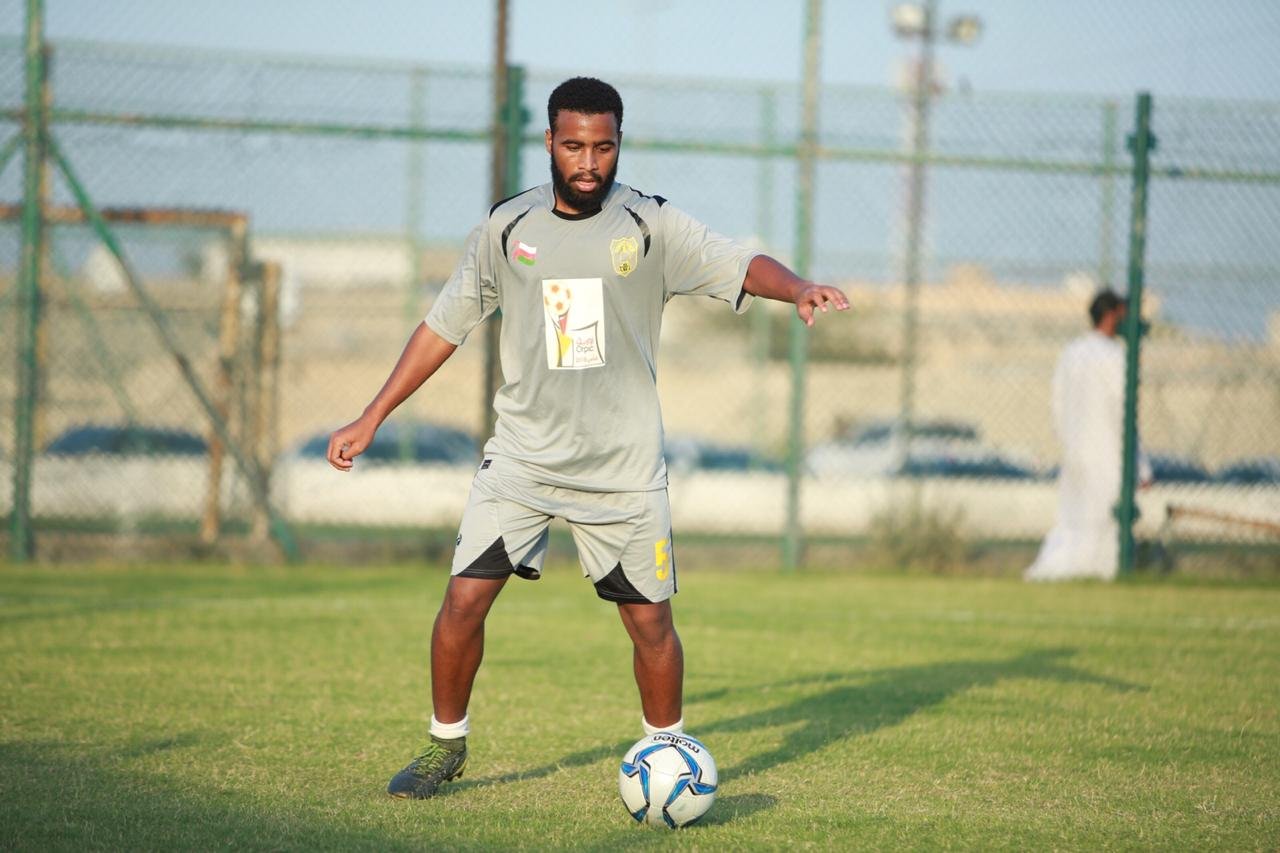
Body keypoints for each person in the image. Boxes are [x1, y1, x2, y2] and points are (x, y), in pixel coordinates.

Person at [326, 77, 849, 799]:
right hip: (523, 459)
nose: (588, 162)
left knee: (651, 625)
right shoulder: (507, 227)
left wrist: (797, 288)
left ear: (618, 144)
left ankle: (668, 757)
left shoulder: (649, 224)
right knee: (463, 601)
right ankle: (444, 746)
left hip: (622, 469)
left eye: (603, 147)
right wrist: (371, 416)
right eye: (573, 146)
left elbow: (739, 264)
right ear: (549, 141)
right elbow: (443, 327)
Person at [1025, 289, 1150, 582]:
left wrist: (1069, 442)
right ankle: (1097, 572)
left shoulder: (1072, 353)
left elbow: (1057, 405)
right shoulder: (1116, 357)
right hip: (1108, 455)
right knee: (1104, 519)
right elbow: (1124, 412)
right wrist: (1141, 465)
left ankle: (1062, 569)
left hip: (1076, 453)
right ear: (1112, 315)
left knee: (1073, 517)